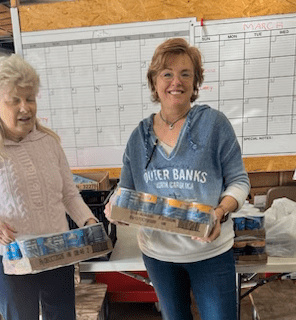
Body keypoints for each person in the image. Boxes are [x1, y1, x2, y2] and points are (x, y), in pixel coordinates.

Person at [105, 38, 251, 320]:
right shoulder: (139, 137)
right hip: (159, 255)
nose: (176, 82)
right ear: (154, 81)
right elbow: (125, 190)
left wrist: (219, 212)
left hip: (210, 252)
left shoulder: (214, 125)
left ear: (196, 82)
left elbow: (239, 181)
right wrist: (115, 208)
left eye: (186, 74)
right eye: (167, 74)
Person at [0, 54, 98, 320]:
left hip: (56, 251)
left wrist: (87, 220)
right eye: (14, 100)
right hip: (10, 258)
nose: (25, 108)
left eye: (30, 98)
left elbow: (68, 193)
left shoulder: (49, 142)